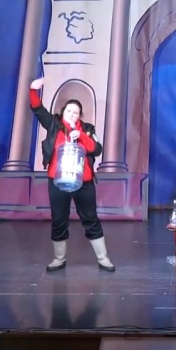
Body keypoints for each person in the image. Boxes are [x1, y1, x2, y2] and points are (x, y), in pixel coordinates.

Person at [29, 77, 115, 274]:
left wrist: (81, 136)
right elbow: (37, 109)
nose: (72, 114)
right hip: (58, 181)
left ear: (79, 115)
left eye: (76, 112)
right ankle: (59, 259)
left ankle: (103, 258)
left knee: (90, 218)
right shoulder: (54, 124)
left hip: (83, 182)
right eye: (69, 111)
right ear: (63, 112)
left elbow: (97, 149)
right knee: (59, 218)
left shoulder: (87, 129)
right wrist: (33, 90)